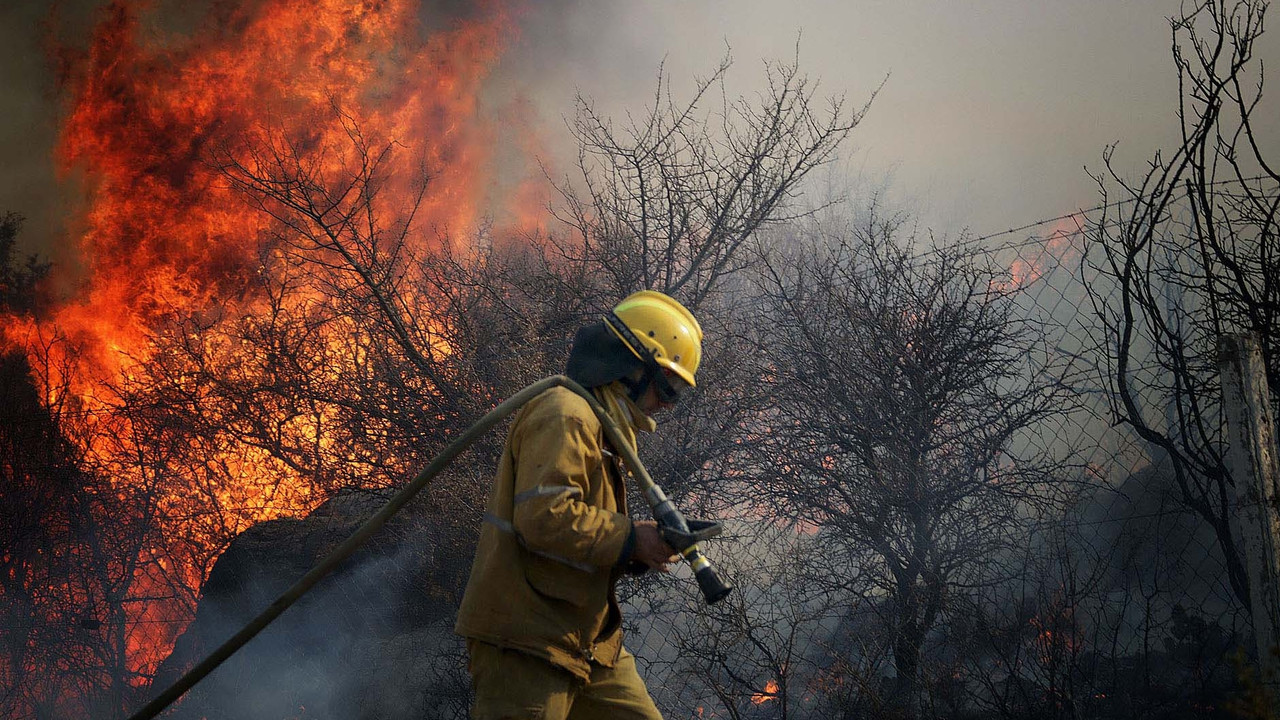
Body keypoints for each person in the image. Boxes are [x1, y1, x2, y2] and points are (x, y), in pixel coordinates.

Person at [453, 289, 703, 720]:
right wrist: (629, 538)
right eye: (667, 384)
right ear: (631, 365)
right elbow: (543, 518)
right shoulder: (566, 414)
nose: (667, 401)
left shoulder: (605, 428)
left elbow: (579, 536)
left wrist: (642, 548)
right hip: (528, 644)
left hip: (588, 645)